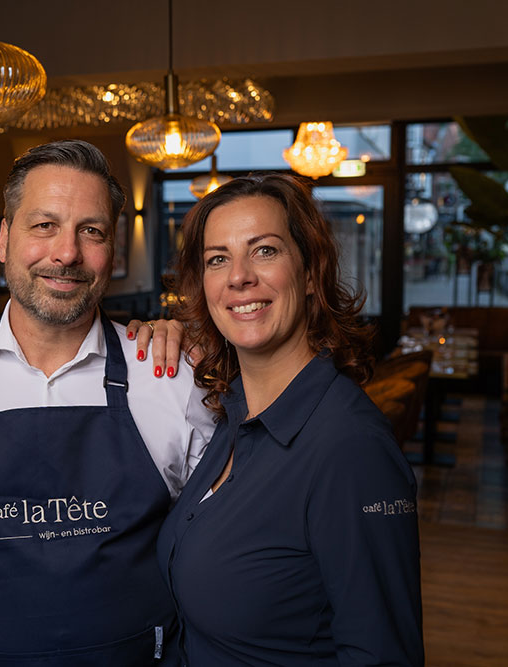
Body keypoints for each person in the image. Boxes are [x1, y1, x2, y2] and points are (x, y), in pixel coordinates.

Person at [0, 139, 216, 666]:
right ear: (5, 240)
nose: (67, 253)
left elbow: (220, 549)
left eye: (91, 231)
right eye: (44, 225)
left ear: (112, 249)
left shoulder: (169, 374)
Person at [156, 174, 424, 666]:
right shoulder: (233, 413)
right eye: (217, 259)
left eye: (264, 251)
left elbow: (382, 654)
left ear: (309, 274)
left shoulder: (351, 448)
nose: (239, 277)